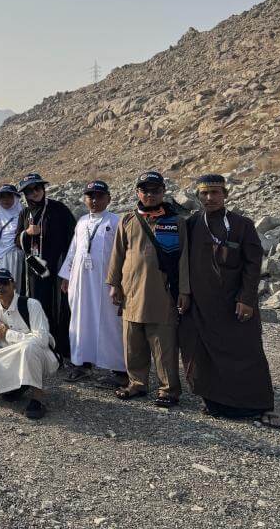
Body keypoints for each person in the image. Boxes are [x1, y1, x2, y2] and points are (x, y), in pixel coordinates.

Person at [179, 174, 280, 426]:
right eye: (204, 193)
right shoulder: (192, 224)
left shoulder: (242, 224)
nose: (209, 198)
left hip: (234, 305)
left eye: (215, 193)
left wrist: (246, 298)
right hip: (202, 305)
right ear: (198, 196)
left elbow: (253, 264)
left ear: (225, 195)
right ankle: (213, 401)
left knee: (246, 352)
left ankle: (256, 404)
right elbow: (181, 263)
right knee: (201, 352)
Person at [107, 170, 190, 407]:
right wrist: (114, 284)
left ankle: (169, 389)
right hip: (131, 292)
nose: (150, 195)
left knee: (163, 345)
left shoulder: (176, 222)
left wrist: (184, 291)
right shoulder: (128, 220)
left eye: (155, 190)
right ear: (137, 193)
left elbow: (184, 258)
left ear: (163, 192)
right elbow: (118, 254)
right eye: (145, 190)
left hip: (163, 293)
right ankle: (137, 383)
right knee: (133, 342)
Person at [58, 181, 125, 384]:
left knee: (110, 323)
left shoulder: (115, 221)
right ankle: (81, 364)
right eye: (90, 196)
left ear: (108, 199)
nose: (94, 200)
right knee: (80, 320)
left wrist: (118, 282)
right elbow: (73, 250)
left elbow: (122, 254)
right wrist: (66, 276)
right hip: (81, 281)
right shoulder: (81, 222)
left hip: (105, 282)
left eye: (99, 196)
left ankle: (118, 370)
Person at [0, 269, 58, 419]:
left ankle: (37, 398)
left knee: (28, 347)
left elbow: (42, 339)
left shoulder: (31, 305)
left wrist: (9, 334)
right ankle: (16, 385)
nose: (0, 287)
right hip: (12, 356)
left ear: (13, 284)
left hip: (41, 356)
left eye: (4, 282)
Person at [15, 173, 77, 361]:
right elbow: (17, 241)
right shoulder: (24, 213)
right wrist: (27, 233)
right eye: (30, 190)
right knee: (37, 305)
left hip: (57, 267)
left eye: (38, 188)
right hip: (35, 270)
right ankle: (41, 346)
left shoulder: (59, 209)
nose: (35, 193)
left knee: (59, 306)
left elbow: (73, 239)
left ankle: (62, 348)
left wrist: (68, 268)